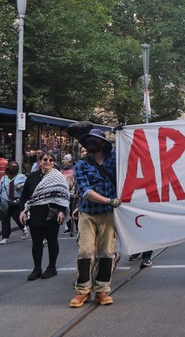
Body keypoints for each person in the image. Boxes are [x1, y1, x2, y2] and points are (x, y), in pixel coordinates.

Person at [71, 128, 120, 308]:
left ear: (103, 143)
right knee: (85, 251)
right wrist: (109, 200)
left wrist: (124, 133)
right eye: (89, 140)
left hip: (107, 213)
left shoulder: (114, 160)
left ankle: (102, 289)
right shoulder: (81, 165)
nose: (91, 143)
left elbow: (131, 159)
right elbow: (85, 191)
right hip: (88, 213)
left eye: (95, 140)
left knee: (107, 251)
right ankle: (82, 290)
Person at [19, 152, 70, 280]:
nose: (48, 161)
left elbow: (63, 195)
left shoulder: (58, 177)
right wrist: (22, 211)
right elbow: (24, 196)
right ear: (40, 161)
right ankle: (37, 268)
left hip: (52, 213)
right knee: (36, 243)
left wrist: (62, 211)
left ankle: (52, 267)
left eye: (51, 160)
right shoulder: (32, 177)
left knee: (52, 240)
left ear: (54, 162)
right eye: (45, 159)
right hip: (35, 213)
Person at [0, 161, 27, 244]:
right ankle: (5, 237)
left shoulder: (21, 176)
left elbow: (28, 185)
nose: (13, 168)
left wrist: (22, 185)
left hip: (16, 201)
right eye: (11, 166)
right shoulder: (3, 178)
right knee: (5, 219)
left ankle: (24, 228)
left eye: (15, 167)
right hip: (5, 202)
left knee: (17, 217)